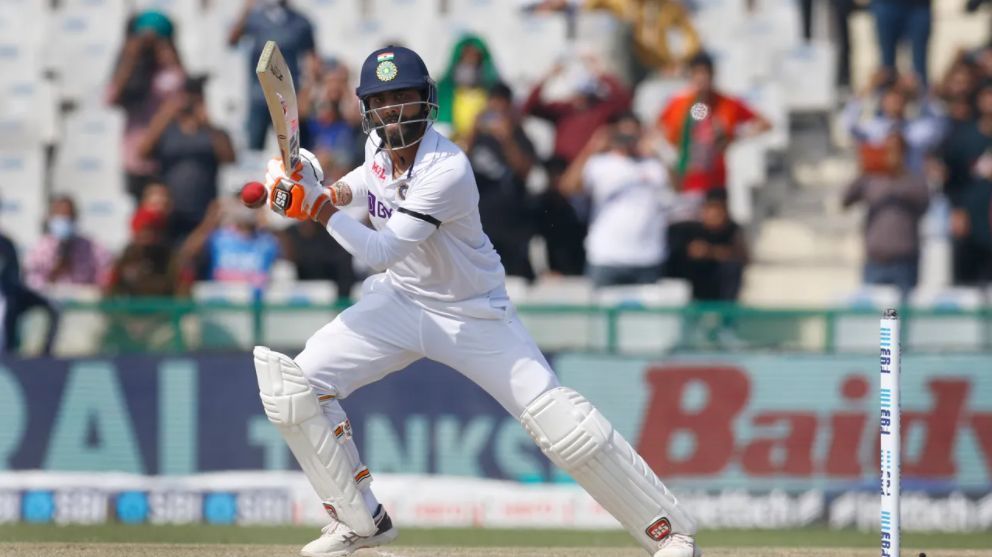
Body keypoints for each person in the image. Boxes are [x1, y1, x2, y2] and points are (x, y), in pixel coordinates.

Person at [251, 46, 700, 557]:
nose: (394, 110)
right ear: (368, 108)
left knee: (563, 425)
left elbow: (383, 248)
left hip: (472, 313)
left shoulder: (448, 169)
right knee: (298, 388)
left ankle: (669, 533)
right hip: (400, 302)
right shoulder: (378, 144)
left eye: (405, 97)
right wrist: (328, 194)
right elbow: (365, 182)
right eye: (383, 100)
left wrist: (315, 210)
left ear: (427, 101)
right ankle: (359, 520)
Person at [560, 112, 673, 287]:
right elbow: (567, 187)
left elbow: (679, 186)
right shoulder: (599, 163)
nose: (628, 138)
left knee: (648, 315)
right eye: (623, 132)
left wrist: (661, 148)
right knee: (600, 314)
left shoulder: (654, 164)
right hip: (607, 257)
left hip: (648, 257)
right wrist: (591, 148)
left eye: (634, 132)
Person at [657, 51, 770, 196]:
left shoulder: (727, 103)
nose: (702, 78)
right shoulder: (678, 104)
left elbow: (765, 123)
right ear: (690, 75)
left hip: (716, 181)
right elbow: (657, 129)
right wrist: (668, 153)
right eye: (697, 73)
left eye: (705, 73)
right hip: (687, 181)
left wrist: (737, 136)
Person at [139, 76, 236, 242]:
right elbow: (143, 152)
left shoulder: (213, 132)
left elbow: (229, 158)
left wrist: (207, 123)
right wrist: (166, 113)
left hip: (203, 211)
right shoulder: (167, 130)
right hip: (169, 211)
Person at [106, 10, 186, 202]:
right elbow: (112, 97)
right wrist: (131, 56)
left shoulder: (167, 70)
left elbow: (180, 88)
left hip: (168, 156)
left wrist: (165, 53)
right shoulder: (129, 68)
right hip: (137, 160)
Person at [465, 82, 537, 280]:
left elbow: (524, 171)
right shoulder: (479, 138)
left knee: (515, 283)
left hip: (512, 229)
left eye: (501, 104)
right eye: (493, 103)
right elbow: (458, 164)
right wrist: (473, 131)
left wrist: (506, 139)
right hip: (481, 227)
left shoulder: (520, 137)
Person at [843, 133, 930, 298]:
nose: (891, 154)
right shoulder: (871, 179)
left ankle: (895, 324)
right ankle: (885, 325)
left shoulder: (914, 180)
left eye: (895, 150)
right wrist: (863, 172)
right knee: (878, 318)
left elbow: (924, 203)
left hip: (904, 262)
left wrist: (895, 179)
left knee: (898, 317)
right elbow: (845, 201)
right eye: (887, 149)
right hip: (876, 261)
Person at [229, 0, 318, 150]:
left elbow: (312, 60)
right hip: (259, 95)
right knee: (254, 149)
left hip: (289, 95)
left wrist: (306, 93)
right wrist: (246, 8)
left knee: (294, 150)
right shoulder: (254, 17)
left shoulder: (301, 22)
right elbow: (232, 40)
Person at [523, 52, 632, 164]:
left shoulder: (602, 109)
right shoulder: (563, 110)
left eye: (586, 94)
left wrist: (601, 72)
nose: (581, 99)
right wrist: (548, 75)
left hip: (593, 168)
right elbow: (530, 107)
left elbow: (624, 101)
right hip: (563, 170)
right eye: (578, 93)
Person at [25, 195, 111, 291]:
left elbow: (104, 278)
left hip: (82, 301)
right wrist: (55, 270)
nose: (64, 219)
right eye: (60, 215)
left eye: (68, 215)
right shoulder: (39, 248)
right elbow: (33, 282)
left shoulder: (93, 247)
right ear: (51, 218)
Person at [435, 33, 502, 143]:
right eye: (466, 58)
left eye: (475, 58)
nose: (470, 63)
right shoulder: (443, 94)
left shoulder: (493, 95)